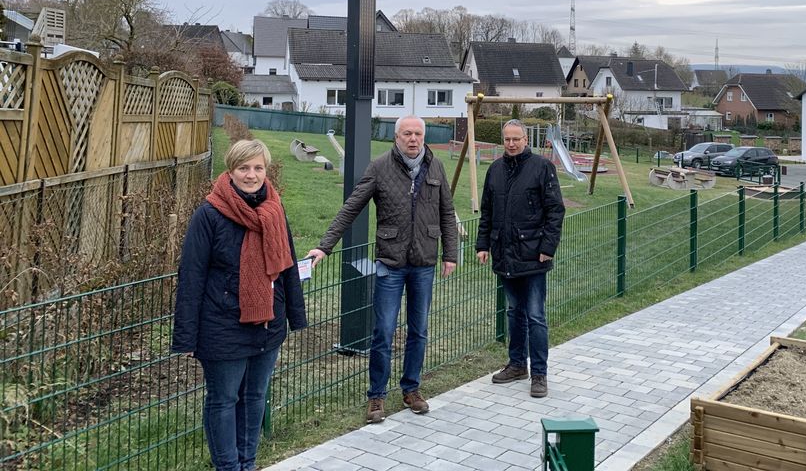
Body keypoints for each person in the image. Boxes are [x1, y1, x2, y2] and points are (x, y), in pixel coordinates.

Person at [306, 115, 458, 423]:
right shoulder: (379, 167)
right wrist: (324, 246)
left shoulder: (436, 166)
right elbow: (352, 207)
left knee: (419, 330)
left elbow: (447, 211)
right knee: (383, 331)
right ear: (396, 137)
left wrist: (450, 254)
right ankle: (376, 397)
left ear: (423, 137)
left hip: (424, 263)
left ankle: (411, 389)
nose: (412, 139)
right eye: (406, 134)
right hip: (390, 262)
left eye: (417, 134)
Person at [172, 139, 307, 471]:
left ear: (266, 170)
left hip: (267, 324)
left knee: (254, 398)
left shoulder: (275, 210)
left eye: (258, 168)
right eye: (244, 168)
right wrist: (186, 337)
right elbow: (191, 277)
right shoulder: (209, 214)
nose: (251, 175)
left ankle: (247, 463)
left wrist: (295, 316)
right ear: (230, 171)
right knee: (223, 400)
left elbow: (287, 265)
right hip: (222, 326)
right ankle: (229, 467)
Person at [477, 119, 565, 398]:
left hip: (534, 255)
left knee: (536, 316)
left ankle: (539, 373)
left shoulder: (543, 168)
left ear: (526, 140)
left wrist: (547, 248)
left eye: (517, 139)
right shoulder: (495, 170)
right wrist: (483, 245)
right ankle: (517, 365)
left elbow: (555, 211)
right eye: (507, 140)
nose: (512, 144)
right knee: (514, 312)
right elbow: (487, 212)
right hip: (504, 253)